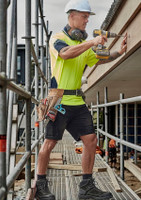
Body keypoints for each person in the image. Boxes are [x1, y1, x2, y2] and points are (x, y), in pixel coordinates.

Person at [35, 0, 127, 199]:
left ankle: (86, 187)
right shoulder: (58, 38)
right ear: (71, 15)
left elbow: (100, 58)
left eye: (88, 17)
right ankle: (40, 184)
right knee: (50, 142)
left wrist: (119, 51)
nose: (87, 21)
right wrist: (92, 42)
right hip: (58, 101)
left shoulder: (82, 45)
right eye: (84, 16)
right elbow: (65, 54)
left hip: (77, 101)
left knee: (91, 140)